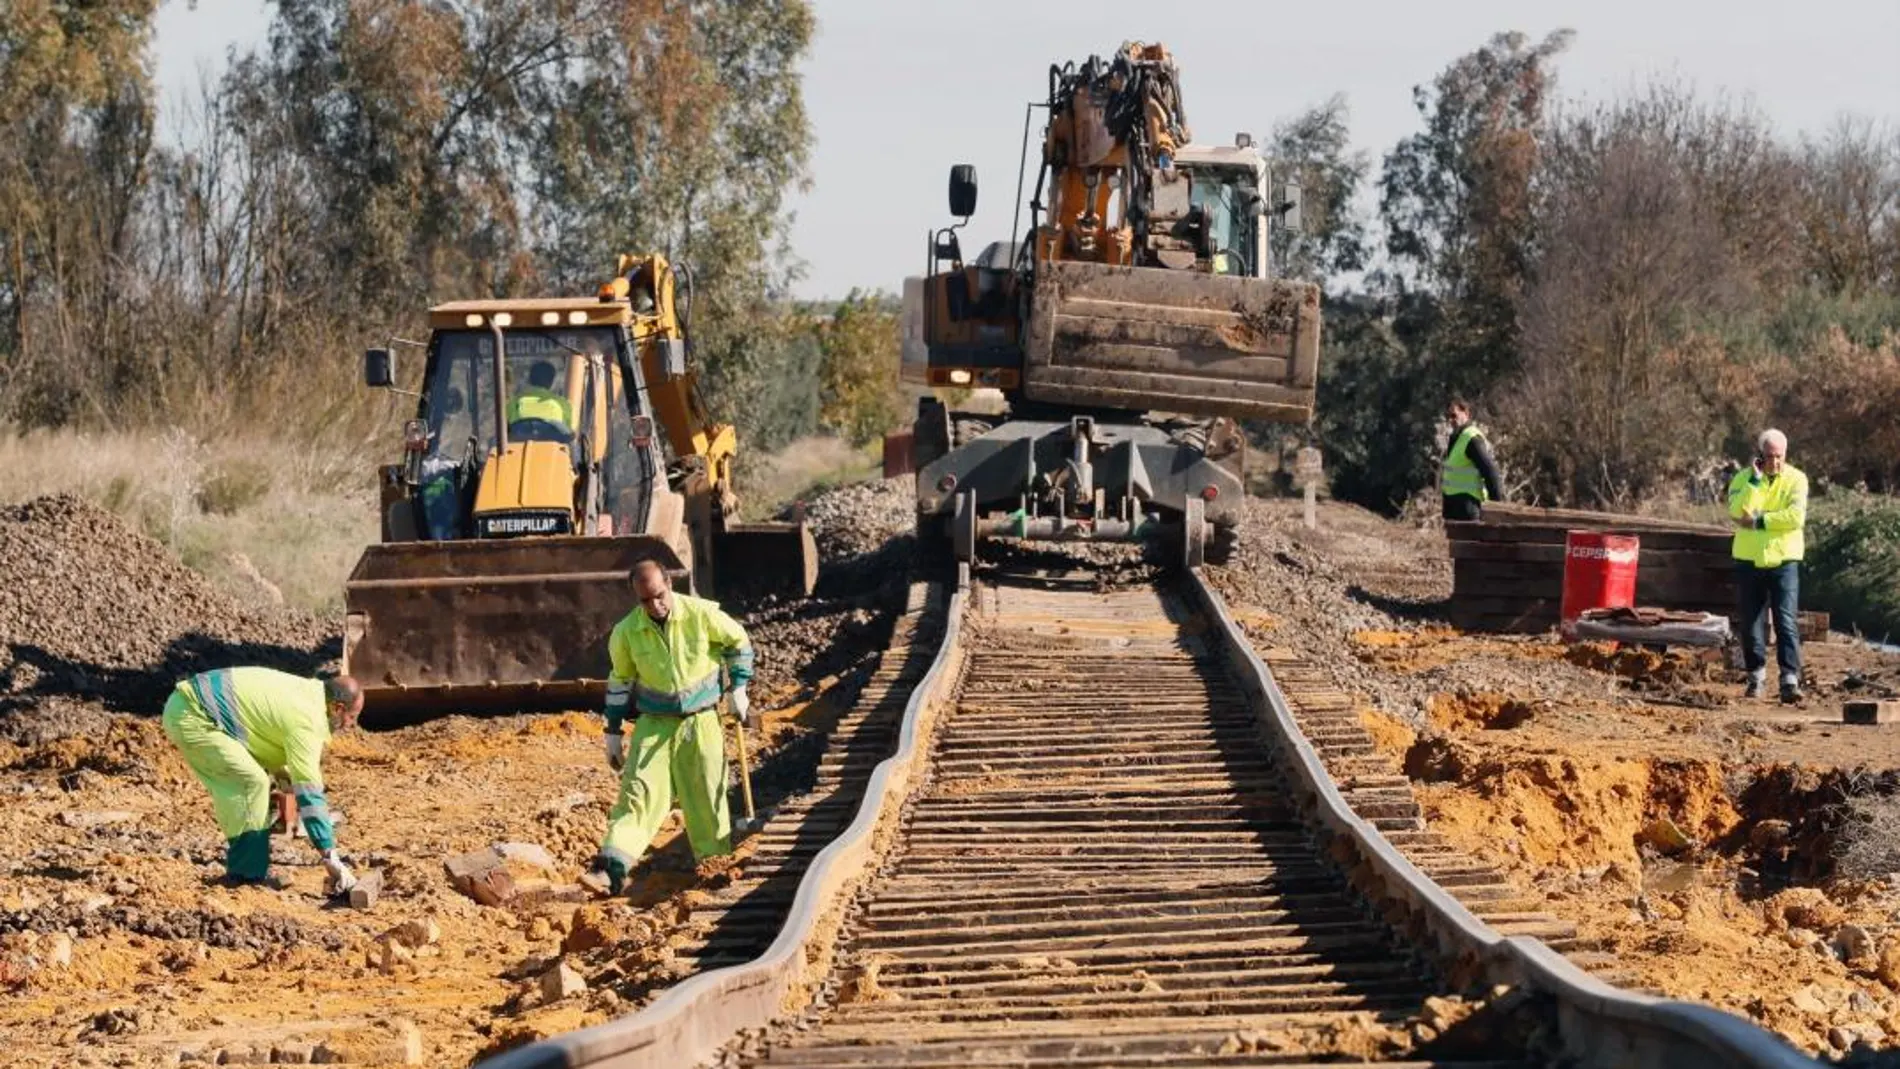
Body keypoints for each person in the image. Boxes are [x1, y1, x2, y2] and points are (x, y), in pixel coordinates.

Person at [581, 560, 755, 894]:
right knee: (638, 794)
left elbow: (738, 644)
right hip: (654, 724)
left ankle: (713, 867)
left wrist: (739, 687)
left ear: (670, 585)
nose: (654, 606)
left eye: (659, 596)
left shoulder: (703, 615)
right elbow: (620, 682)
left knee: (706, 795)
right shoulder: (627, 632)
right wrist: (613, 732)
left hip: (701, 720)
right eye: (645, 601)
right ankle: (610, 871)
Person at [160, 668, 362, 892]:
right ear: (337, 708)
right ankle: (244, 876)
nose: (351, 726)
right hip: (193, 716)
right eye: (351, 717)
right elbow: (309, 787)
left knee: (270, 777)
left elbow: (269, 735)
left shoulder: (309, 694)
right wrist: (329, 854)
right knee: (251, 783)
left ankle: (255, 854)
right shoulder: (308, 721)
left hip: (195, 705)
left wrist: (289, 787)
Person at [1728, 428, 1809, 703]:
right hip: (1749, 560)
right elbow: (1738, 513)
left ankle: (1789, 679)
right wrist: (1754, 482)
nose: (1776, 462)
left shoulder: (1797, 479)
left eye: (1780, 456)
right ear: (1760, 455)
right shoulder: (1743, 478)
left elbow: (1795, 517)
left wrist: (1760, 521)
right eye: (1771, 456)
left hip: (1784, 559)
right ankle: (1756, 677)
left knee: (1786, 621)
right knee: (1751, 623)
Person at [1440, 399, 1505, 522]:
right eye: (1448, 417)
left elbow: (1491, 472)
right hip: (1454, 509)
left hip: (1469, 508)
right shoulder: (1456, 438)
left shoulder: (1472, 439)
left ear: (1466, 414)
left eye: (1454, 416)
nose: (1450, 420)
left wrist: (1497, 507)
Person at [505, 360, 574, 435]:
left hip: (515, 446)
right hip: (553, 445)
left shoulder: (513, 403)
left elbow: (506, 430)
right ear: (552, 382)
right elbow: (568, 434)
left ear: (529, 379)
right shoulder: (562, 404)